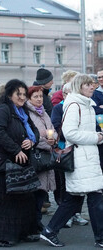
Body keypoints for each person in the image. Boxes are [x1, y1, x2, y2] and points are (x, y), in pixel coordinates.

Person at [41, 74, 103, 248]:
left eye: (93, 84)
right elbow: (70, 133)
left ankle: (50, 230)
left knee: (76, 199)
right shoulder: (76, 105)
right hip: (80, 157)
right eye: (89, 84)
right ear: (79, 86)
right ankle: (100, 237)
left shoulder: (86, 104)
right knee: (92, 197)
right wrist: (96, 137)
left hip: (86, 157)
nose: (93, 87)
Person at [0, 79, 40, 247]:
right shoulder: (3, 109)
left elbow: (35, 131)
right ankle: (0, 236)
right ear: (10, 94)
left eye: (24, 94)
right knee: (3, 201)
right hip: (2, 162)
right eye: (19, 94)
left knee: (23, 198)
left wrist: (32, 141)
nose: (23, 97)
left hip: (20, 163)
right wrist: (16, 149)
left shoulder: (21, 112)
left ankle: (22, 232)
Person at [26, 86, 57, 232]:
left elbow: (53, 130)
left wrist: (53, 139)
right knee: (35, 192)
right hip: (36, 157)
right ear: (29, 98)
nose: (39, 99)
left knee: (42, 192)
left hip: (46, 157)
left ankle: (36, 221)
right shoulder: (27, 113)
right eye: (35, 97)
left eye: (40, 96)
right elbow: (32, 136)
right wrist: (46, 141)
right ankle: (33, 222)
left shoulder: (44, 112)